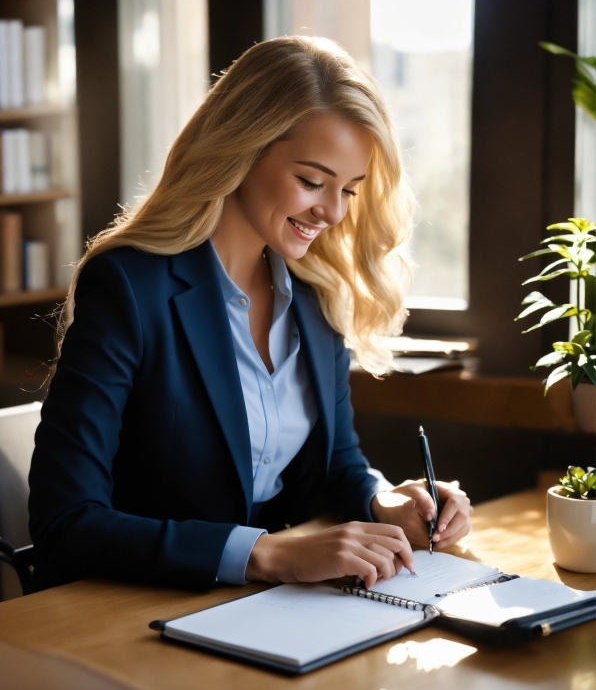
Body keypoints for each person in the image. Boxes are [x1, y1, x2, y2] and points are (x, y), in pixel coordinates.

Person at [28, 36, 471, 593]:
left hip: (275, 611)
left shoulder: (314, 295)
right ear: (241, 150)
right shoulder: (128, 288)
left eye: (350, 191)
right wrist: (268, 555)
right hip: (138, 611)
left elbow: (336, 467)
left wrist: (384, 500)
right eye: (311, 181)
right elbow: (65, 522)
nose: (332, 212)